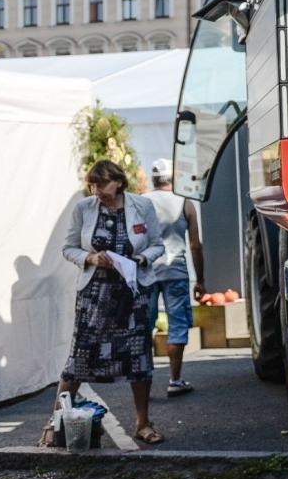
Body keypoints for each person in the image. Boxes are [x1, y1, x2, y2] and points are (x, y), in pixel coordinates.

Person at [42, 159, 166, 446]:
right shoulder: (83, 209)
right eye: (93, 185)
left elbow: (157, 244)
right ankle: (55, 421)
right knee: (79, 359)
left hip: (132, 293)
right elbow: (68, 247)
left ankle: (142, 423)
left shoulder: (142, 206)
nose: (97, 191)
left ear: (119, 182)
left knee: (138, 359)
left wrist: (140, 258)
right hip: (94, 294)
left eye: (102, 185)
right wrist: (90, 258)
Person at [146, 158, 205, 396]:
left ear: (154, 179)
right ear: (175, 178)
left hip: (146, 272)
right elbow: (195, 245)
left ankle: (144, 380)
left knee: (145, 326)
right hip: (176, 271)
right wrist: (200, 280)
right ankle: (175, 380)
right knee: (177, 325)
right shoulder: (185, 203)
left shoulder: (141, 202)